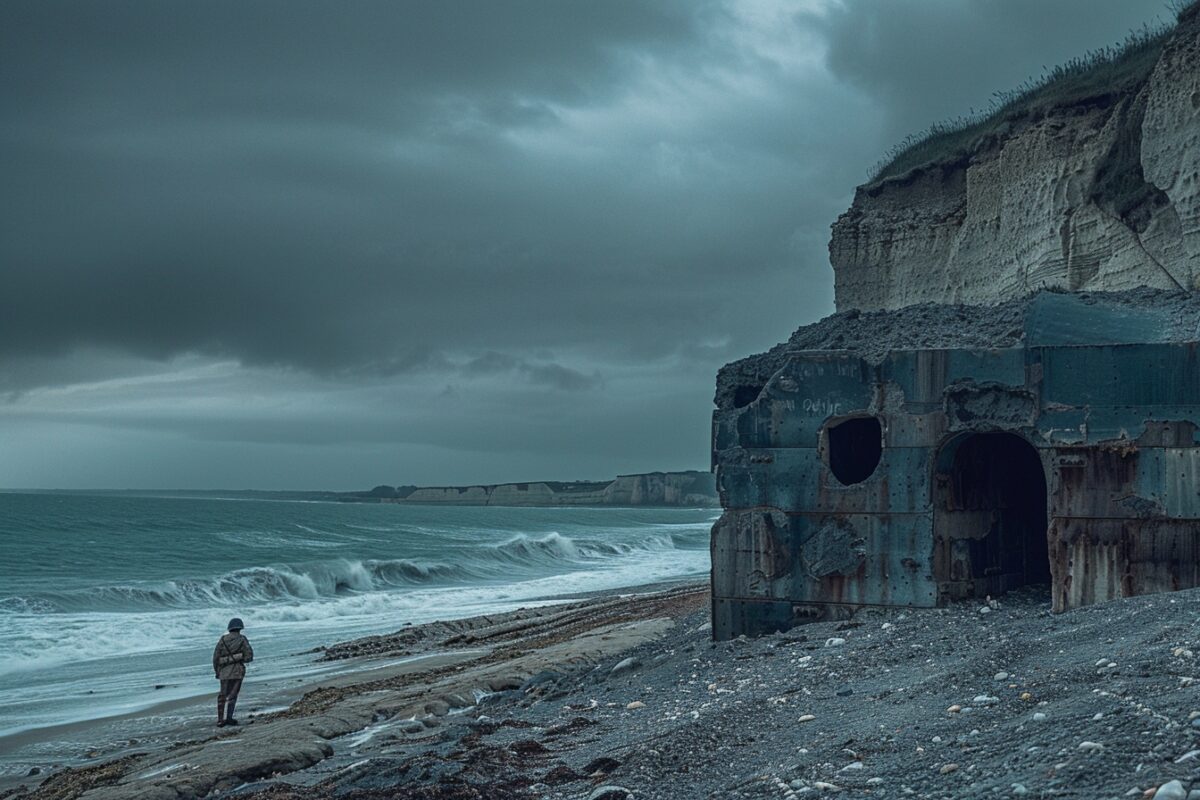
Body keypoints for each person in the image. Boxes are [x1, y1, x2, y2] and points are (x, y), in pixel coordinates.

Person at [212, 617, 253, 727]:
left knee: (222, 696)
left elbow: (216, 657)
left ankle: (220, 720)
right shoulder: (242, 639)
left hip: (224, 672)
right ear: (240, 628)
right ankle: (229, 718)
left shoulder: (223, 639)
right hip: (237, 671)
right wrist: (239, 658)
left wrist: (217, 671)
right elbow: (249, 656)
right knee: (233, 696)